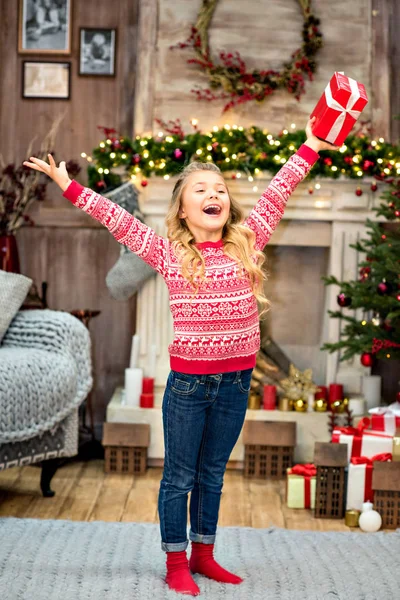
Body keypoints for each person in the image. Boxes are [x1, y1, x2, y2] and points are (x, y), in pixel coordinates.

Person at [24, 117, 338, 596]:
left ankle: (204, 554)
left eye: (220, 188)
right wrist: (69, 186)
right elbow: (120, 221)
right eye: (200, 189)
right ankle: (175, 560)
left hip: (237, 380)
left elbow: (280, 188)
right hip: (190, 386)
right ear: (184, 210)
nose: (214, 193)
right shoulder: (168, 251)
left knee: (213, 473)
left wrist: (313, 144)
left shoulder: (248, 238)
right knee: (180, 477)